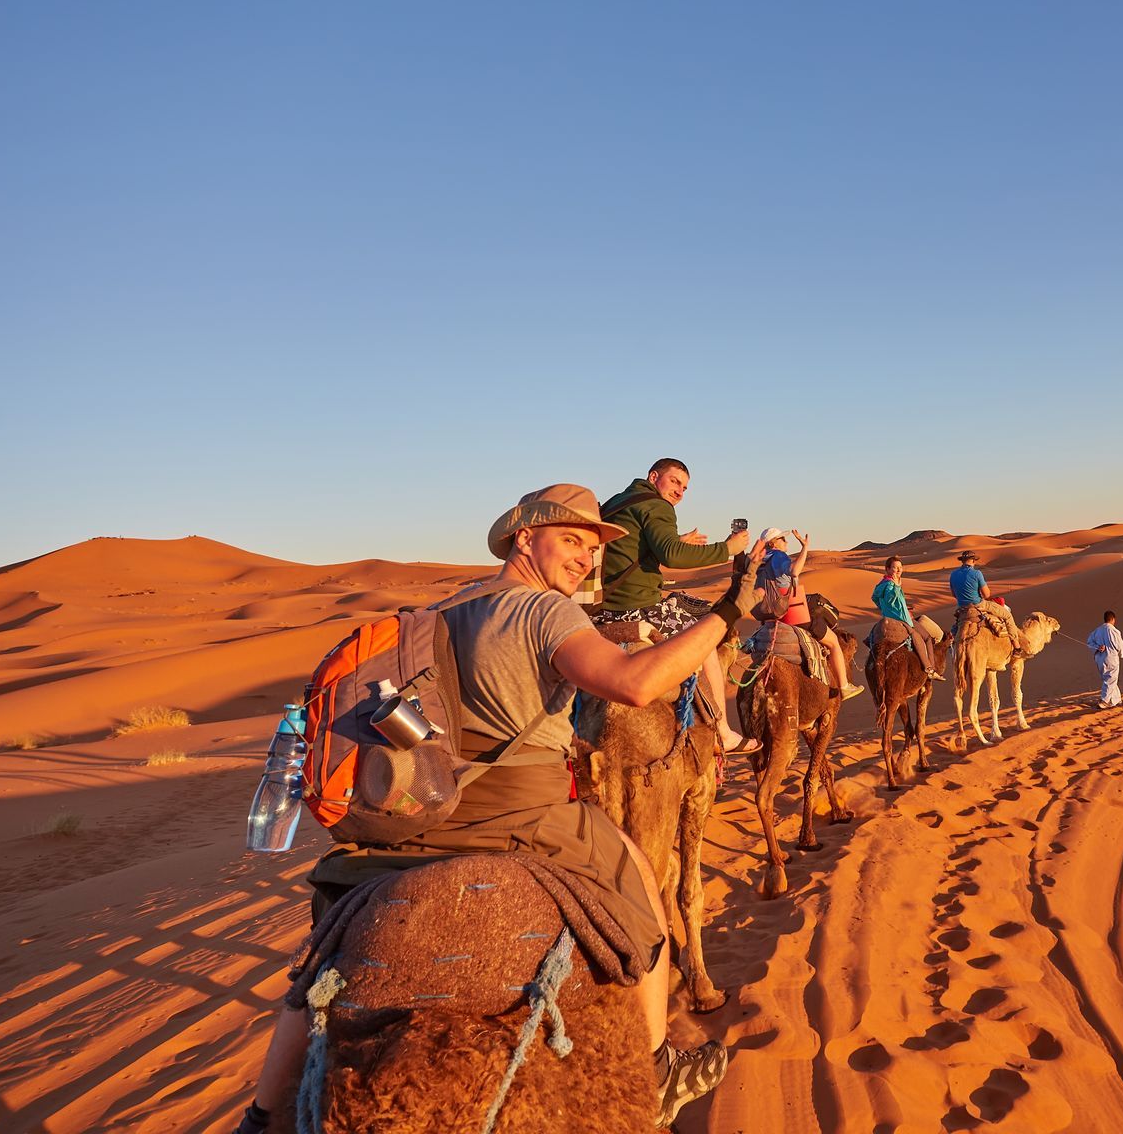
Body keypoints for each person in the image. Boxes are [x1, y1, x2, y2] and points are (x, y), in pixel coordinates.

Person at [235, 486, 757, 1134]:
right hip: (527, 815)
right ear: (523, 536)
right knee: (644, 895)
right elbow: (633, 683)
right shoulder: (546, 612)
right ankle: (658, 1071)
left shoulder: (437, 612)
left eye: (592, 548)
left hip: (416, 818)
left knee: (325, 952)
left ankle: (260, 1114)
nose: (585, 559)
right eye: (572, 540)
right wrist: (730, 612)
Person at [586, 458, 756, 753]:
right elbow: (673, 557)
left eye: (685, 488)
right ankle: (722, 730)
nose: (680, 491)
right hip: (635, 605)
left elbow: (631, 548)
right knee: (704, 636)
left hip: (601, 607)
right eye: (675, 481)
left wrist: (676, 539)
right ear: (654, 477)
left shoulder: (620, 501)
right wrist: (728, 549)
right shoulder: (656, 505)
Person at [754, 528, 864, 700]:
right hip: (790, 613)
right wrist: (805, 548)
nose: (786, 542)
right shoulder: (778, 556)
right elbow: (794, 571)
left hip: (768, 616)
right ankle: (844, 686)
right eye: (783, 539)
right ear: (773, 543)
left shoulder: (759, 562)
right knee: (834, 642)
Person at [870, 555, 944, 680]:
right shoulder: (890, 584)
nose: (898, 570)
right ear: (887, 570)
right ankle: (930, 668)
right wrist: (896, 588)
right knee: (925, 638)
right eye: (895, 568)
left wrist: (884, 609)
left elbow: (875, 597)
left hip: (889, 617)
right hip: (902, 620)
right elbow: (890, 597)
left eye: (900, 567)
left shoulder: (881, 584)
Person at [947, 550, 1026, 656]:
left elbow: (954, 594)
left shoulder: (953, 574)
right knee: (1007, 616)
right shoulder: (976, 573)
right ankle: (1017, 647)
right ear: (973, 561)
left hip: (961, 607)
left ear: (962, 561)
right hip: (978, 605)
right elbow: (986, 594)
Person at [1086, 610, 1123, 706]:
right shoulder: (1114, 630)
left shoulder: (1097, 631)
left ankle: (1116, 699)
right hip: (1111, 658)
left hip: (1100, 659)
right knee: (1111, 679)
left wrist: (1097, 648)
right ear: (1113, 619)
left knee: (1109, 679)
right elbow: (1120, 646)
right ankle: (1105, 700)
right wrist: (1121, 654)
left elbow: (1089, 642)